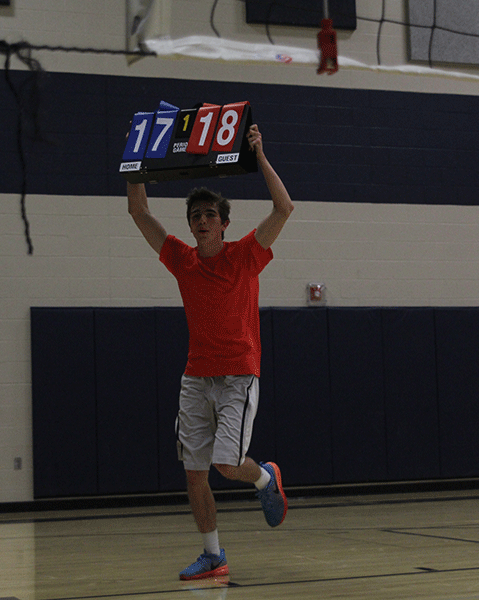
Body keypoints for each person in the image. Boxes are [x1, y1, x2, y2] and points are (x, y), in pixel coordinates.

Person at [126, 124, 293, 580]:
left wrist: (258, 154)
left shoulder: (245, 255)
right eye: (195, 215)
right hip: (196, 376)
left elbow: (284, 207)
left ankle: (263, 477)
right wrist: (135, 161)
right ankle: (214, 555)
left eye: (208, 214)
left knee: (224, 464)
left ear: (223, 222)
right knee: (194, 472)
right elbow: (139, 212)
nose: (201, 220)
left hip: (239, 374)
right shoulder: (181, 258)